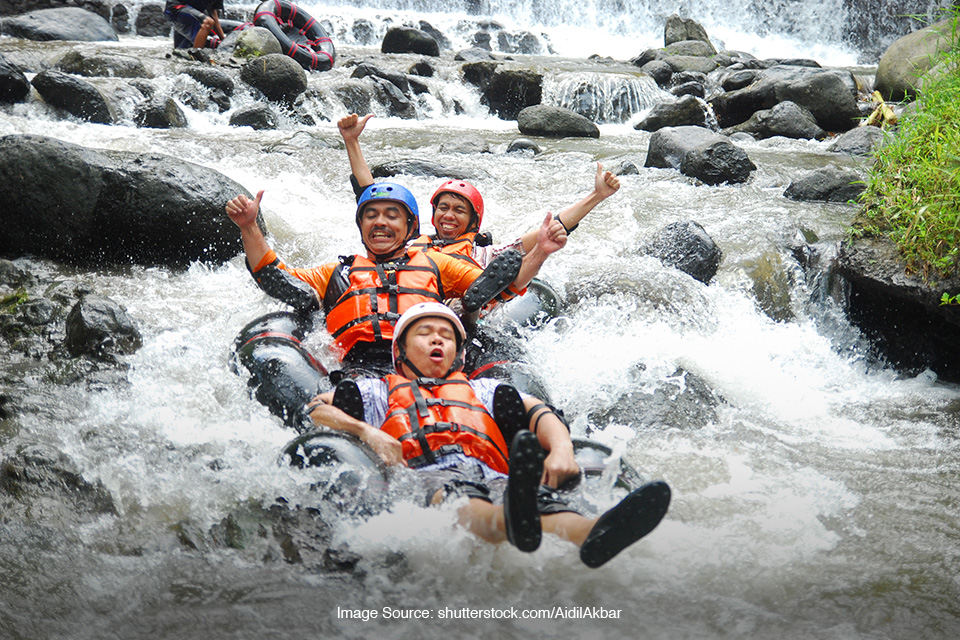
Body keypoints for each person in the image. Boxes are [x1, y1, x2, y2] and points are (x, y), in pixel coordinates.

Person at [304, 302, 672, 568]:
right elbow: (317, 408)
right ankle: (506, 522)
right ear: (400, 353)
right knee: (461, 499)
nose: (438, 341)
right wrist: (368, 433)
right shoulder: (378, 390)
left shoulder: (484, 390)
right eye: (426, 334)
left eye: (446, 337)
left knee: (541, 500)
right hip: (424, 475)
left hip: (496, 475)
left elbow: (540, 414)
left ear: (457, 355)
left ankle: (591, 533)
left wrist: (562, 451)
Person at [225, 182, 568, 377]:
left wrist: (540, 252)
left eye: (392, 216)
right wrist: (249, 227)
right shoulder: (336, 272)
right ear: (361, 227)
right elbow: (275, 277)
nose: (380, 223)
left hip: (427, 366)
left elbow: (498, 287)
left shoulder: (437, 264)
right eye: (371, 215)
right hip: (359, 369)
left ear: (410, 228)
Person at [337, 113, 622, 269]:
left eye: (459, 210)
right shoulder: (408, 243)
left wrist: (596, 196)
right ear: (433, 214)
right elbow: (371, 195)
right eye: (444, 207)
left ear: (474, 222)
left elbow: (551, 229)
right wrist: (352, 141)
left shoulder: (487, 255)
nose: (448, 215)